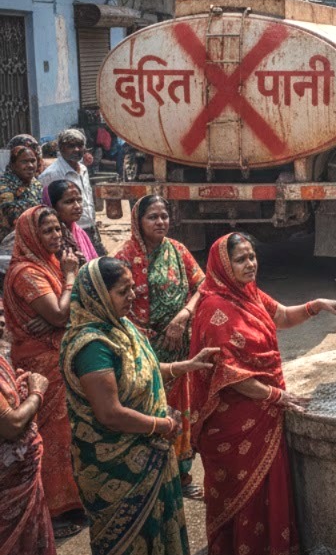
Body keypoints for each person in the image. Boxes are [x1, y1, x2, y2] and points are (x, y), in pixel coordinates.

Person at [188, 232, 336, 555]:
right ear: (223, 264)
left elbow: (281, 316)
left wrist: (315, 305)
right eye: (241, 259)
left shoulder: (247, 293)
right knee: (243, 496)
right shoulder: (214, 309)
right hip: (235, 422)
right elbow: (230, 375)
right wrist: (277, 397)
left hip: (262, 410)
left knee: (268, 490)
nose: (250, 264)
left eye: (252, 257)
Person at [59, 257, 219, 555]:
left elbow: (144, 367)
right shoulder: (92, 346)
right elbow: (110, 414)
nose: (132, 297)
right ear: (97, 295)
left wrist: (188, 365)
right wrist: (163, 425)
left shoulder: (119, 326)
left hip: (151, 454)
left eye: (133, 288)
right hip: (117, 469)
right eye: (123, 291)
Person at [115, 196, 206, 498]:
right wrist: (149, 336)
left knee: (183, 411)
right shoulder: (124, 258)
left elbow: (202, 286)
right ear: (137, 222)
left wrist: (183, 316)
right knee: (151, 411)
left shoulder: (178, 251)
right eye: (152, 217)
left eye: (164, 216)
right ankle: (153, 479)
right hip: (143, 349)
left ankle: (181, 475)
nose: (160, 222)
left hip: (180, 347)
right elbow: (117, 308)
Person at [2, 205, 84, 538]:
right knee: (53, 434)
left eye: (57, 229)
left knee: (69, 432)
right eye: (47, 231)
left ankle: (71, 500)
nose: (56, 236)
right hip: (40, 364)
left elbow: (67, 310)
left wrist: (62, 311)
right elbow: (60, 314)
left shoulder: (48, 261)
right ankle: (55, 507)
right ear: (31, 235)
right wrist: (69, 278)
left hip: (58, 356)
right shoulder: (26, 272)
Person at [0, 321, 56, 555]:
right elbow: (11, 425)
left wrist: (16, 388)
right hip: (8, 486)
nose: (4, 321)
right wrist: (36, 393)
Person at [38, 129, 106, 256]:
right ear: (61, 148)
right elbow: (46, 205)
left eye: (80, 145)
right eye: (71, 146)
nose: (76, 150)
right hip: (66, 231)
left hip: (89, 227)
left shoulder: (83, 169)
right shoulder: (52, 174)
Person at [44, 180, 99, 267]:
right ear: (52, 206)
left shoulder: (79, 232)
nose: (77, 206)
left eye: (79, 200)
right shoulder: (48, 238)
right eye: (69, 202)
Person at [0, 144, 43, 240]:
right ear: (13, 164)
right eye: (24, 161)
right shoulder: (3, 185)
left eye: (33, 161)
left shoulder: (36, 184)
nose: (30, 166)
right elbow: (11, 214)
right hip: (9, 241)